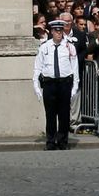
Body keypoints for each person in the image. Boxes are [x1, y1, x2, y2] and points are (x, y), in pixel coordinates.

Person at [33, 18, 78, 150]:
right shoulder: (44, 47)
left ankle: (63, 141)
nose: (59, 33)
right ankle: (51, 141)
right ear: (51, 31)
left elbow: (74, 68)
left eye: (61, 30)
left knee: (64, 114)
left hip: (64, 83)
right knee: (50, 114)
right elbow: (38, 67)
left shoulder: (69, 47)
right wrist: (36, 85)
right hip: (50, 83)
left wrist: (74, 87)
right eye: (56, 31)